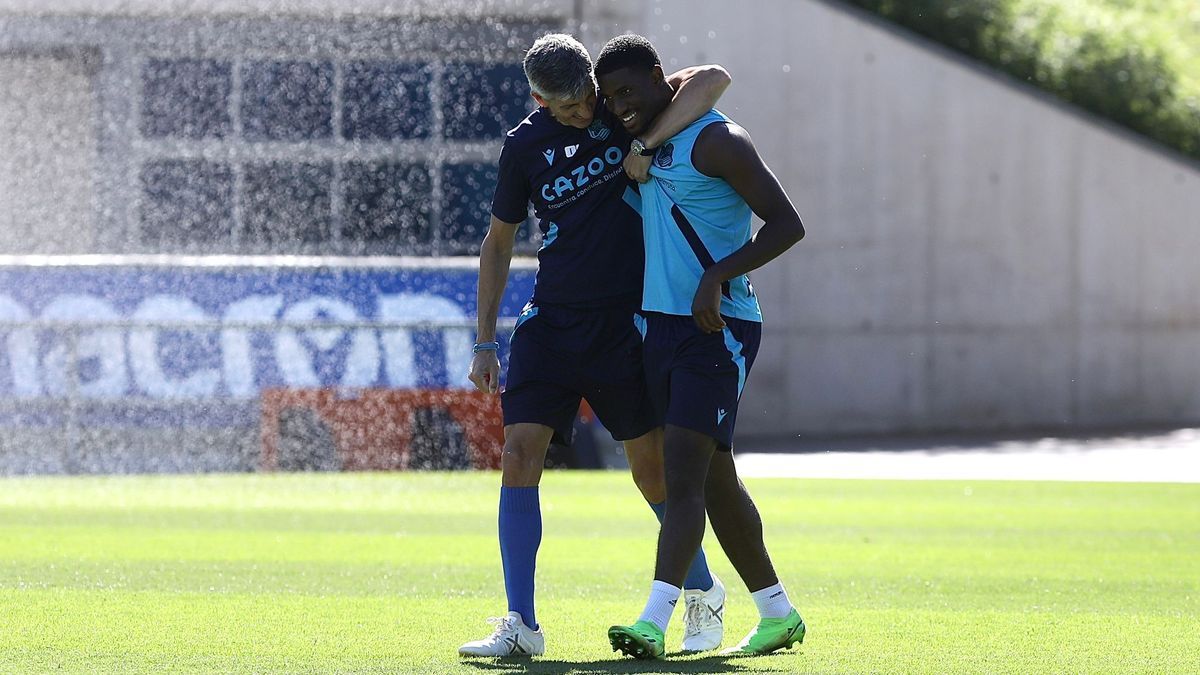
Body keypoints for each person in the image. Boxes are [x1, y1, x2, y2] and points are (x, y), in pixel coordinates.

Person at [458, 33, 733, 658]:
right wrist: (484, 341)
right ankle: (520, 624)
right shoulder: (523, 146)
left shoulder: (621, 109)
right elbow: (498, 244)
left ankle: (703, 592)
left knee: (651, 473)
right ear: (537, 99)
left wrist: (643, 142)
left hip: (621, 326)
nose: (586, 113)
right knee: (519, 454)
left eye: (588, 98)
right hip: (549, 323)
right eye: (570, 108)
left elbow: (713, 77)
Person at [595, 34, 807, 660]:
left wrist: (717, 275)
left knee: (681, 477)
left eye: (630, 90)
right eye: (611, 98)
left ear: (661, 77)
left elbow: (788, 224)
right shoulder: (650, 134)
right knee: (715, 482)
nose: (621, 105)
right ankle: (778, 612)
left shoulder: (718, 140)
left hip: (716, 329)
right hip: (660, 327)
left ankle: (653, 621)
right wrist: (642, 139)